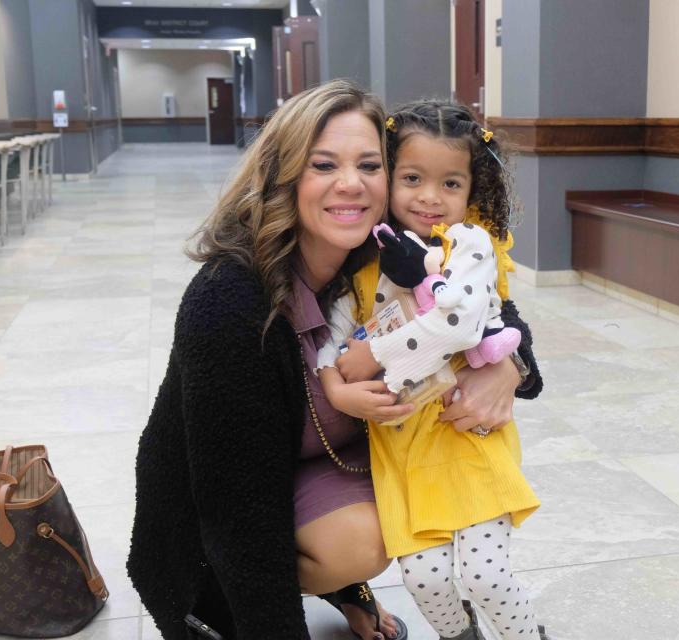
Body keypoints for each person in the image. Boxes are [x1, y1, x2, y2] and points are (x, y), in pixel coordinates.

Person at [126, 81, 543, 640]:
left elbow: (501, 316)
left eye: (369, 165)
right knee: (351, 541)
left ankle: (344, 586)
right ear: (286, 175)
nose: (350, 183)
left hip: (314, 460)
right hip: (214, 518)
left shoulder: (390, 250)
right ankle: (240, 597)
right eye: (324, 165)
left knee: (394, 522)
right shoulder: (229, 300)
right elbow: (239, 516)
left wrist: (507, 369)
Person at [317, 100, 549, 640]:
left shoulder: (469, 247)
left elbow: (460, 323)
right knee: (424, 579)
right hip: (400, 444)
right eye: (413, 178)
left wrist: (377, 356)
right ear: (389, 177)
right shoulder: (363, 256)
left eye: (450, 183)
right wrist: (332, 375)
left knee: (487, 576)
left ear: (473, 190)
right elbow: (332, 326)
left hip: (467, 434)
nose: (429, 197)